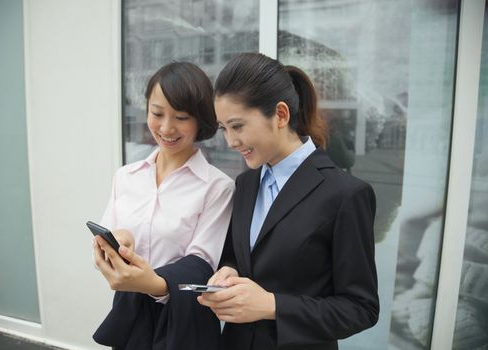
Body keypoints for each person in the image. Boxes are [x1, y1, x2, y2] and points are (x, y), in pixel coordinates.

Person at [198, 53, 379, 350]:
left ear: (280, 115)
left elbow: (361, 309)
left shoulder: (345, 195)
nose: (230, 141)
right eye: (224, 129)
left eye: (238, 126)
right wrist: (228, 271)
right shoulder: (245, 184)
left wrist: (272, 305)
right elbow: (237, 256)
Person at [92, 62, 234, 350]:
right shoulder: (125, 176)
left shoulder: (217, 186)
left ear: (201, 120)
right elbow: (109, 238)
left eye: (181, 117)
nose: (166, 128)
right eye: (157, 113)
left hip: (186, 320)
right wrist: (118, 244)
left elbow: (202, 264)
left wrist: (153, 284)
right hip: (130, 316)